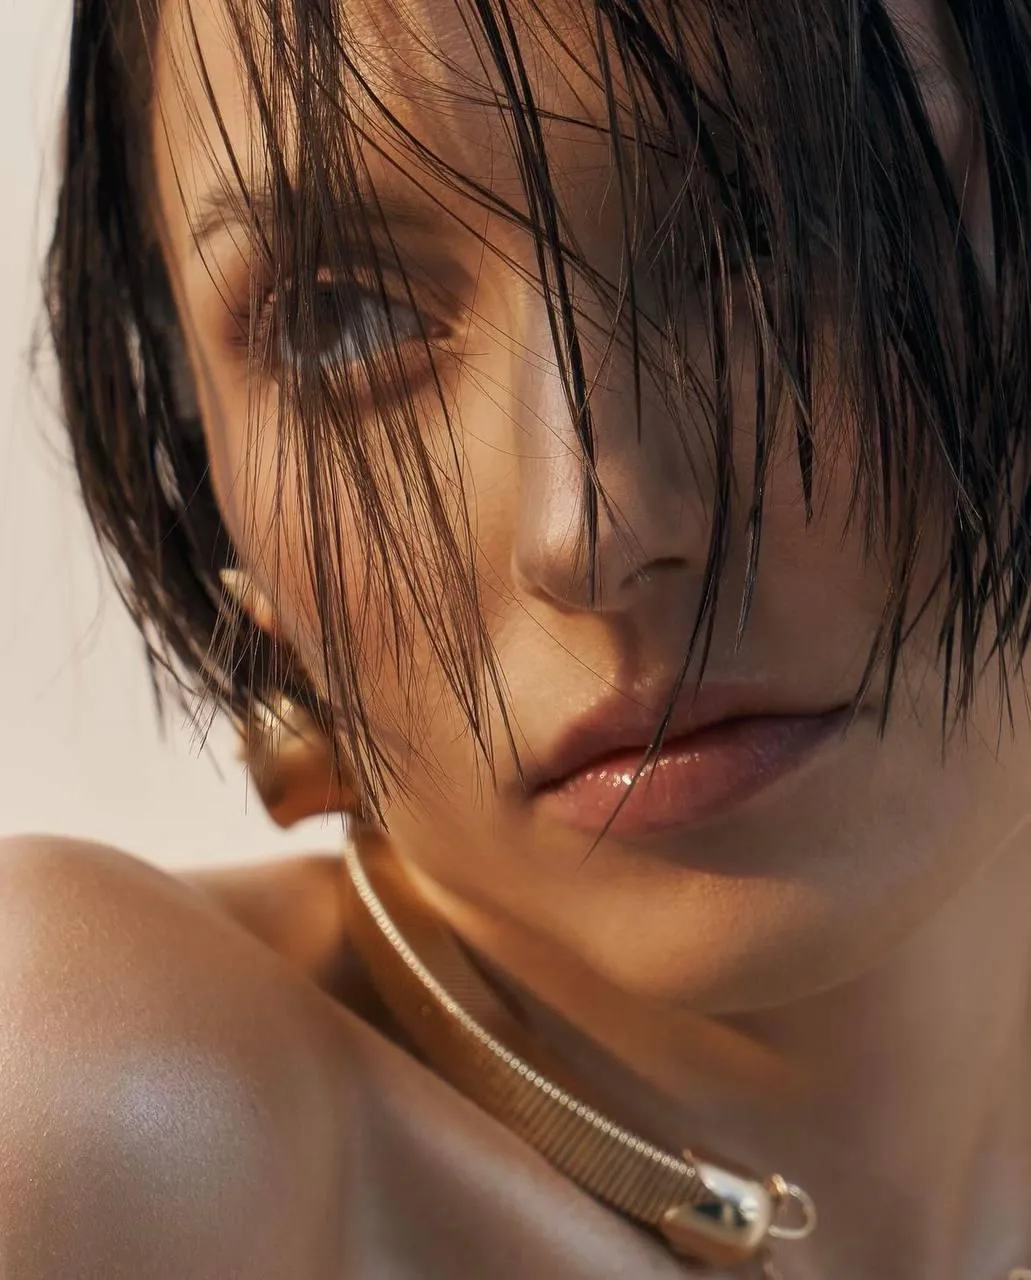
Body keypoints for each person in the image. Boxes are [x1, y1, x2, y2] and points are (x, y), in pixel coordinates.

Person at [2, 0, 1031, 1273]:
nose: (591, 530)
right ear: (203, 461)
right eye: (339, 320)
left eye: (785, 214)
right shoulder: (99, 1126)